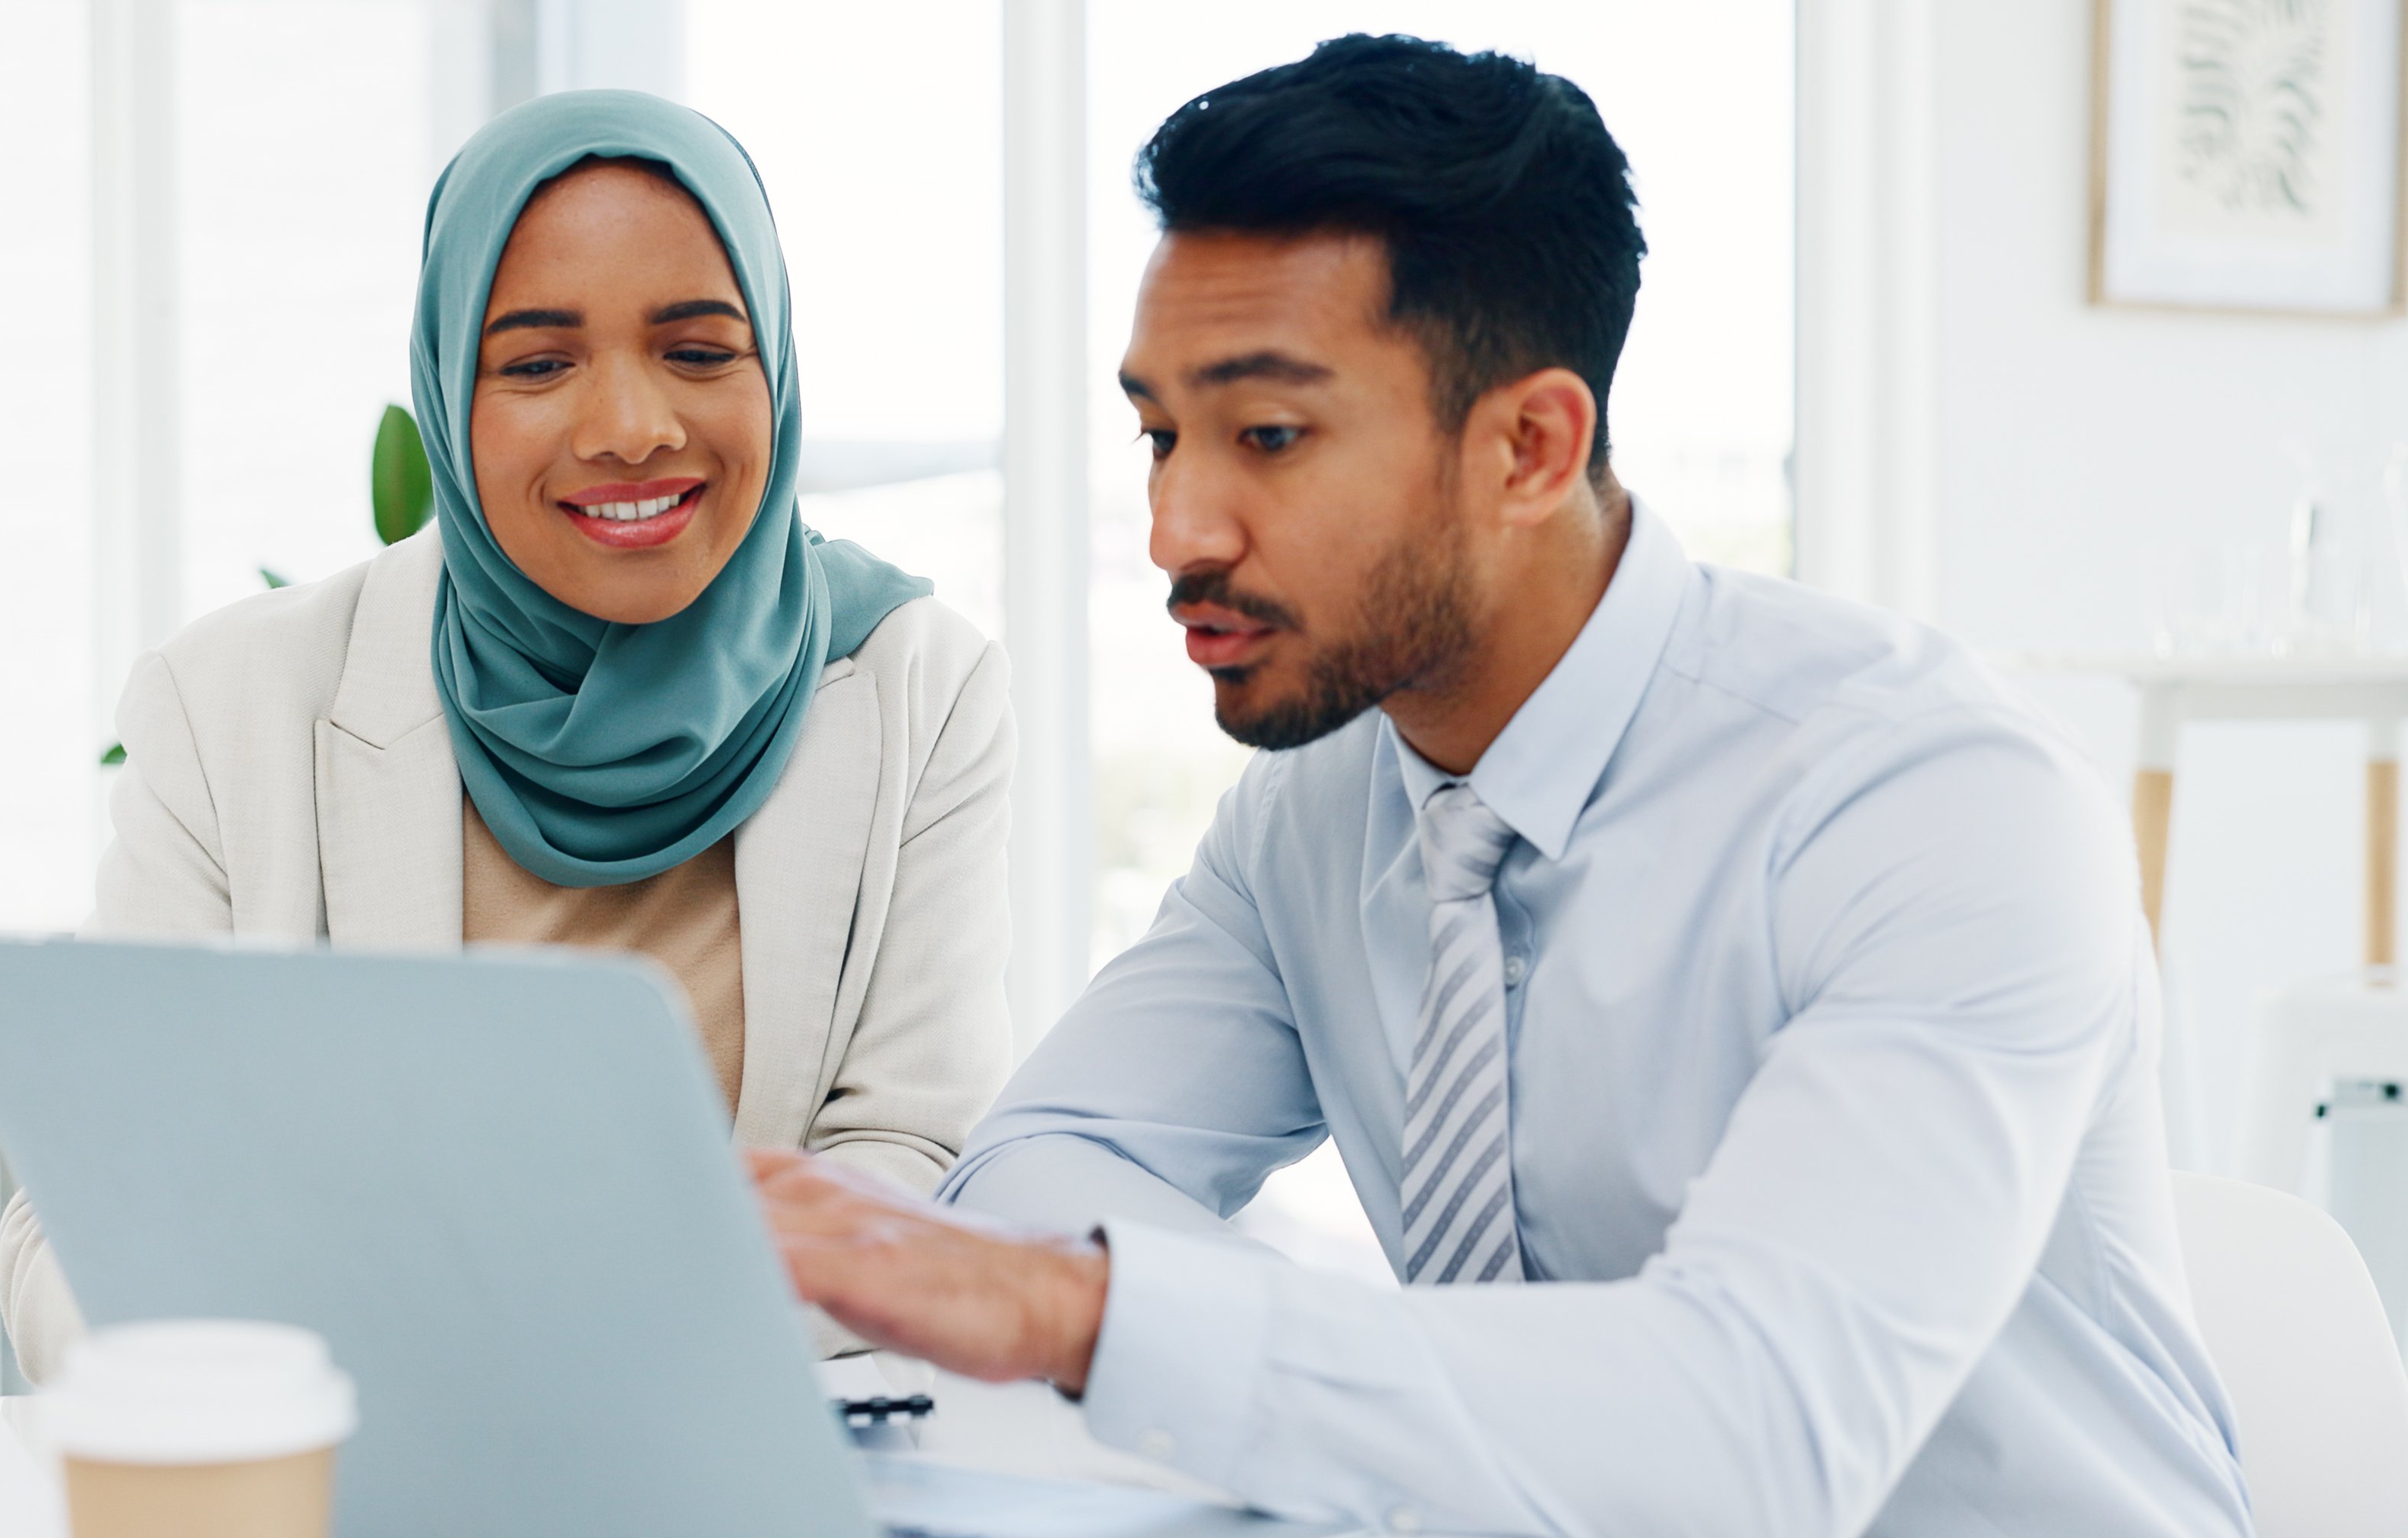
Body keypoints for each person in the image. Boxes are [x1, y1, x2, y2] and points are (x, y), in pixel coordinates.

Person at [751, 35, 2248, 1537]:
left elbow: (1755, 1435)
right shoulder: (1323, 806)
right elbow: (1042, 1165)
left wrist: (1119, 1319)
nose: (1174, 527)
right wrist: (1308, 1381)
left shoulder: (1932, 801)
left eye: (1268, 435)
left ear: (1531, 446)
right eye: (1160, 434)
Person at [0, 90, 1015, 1381]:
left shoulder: (919, 686)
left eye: (700, 350)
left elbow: (918, 1163)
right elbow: (78, 1222)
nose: (632, 427)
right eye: (539, 364)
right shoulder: (233, 703)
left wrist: (575, 1341)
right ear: (445, 394)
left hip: (739, 1456)